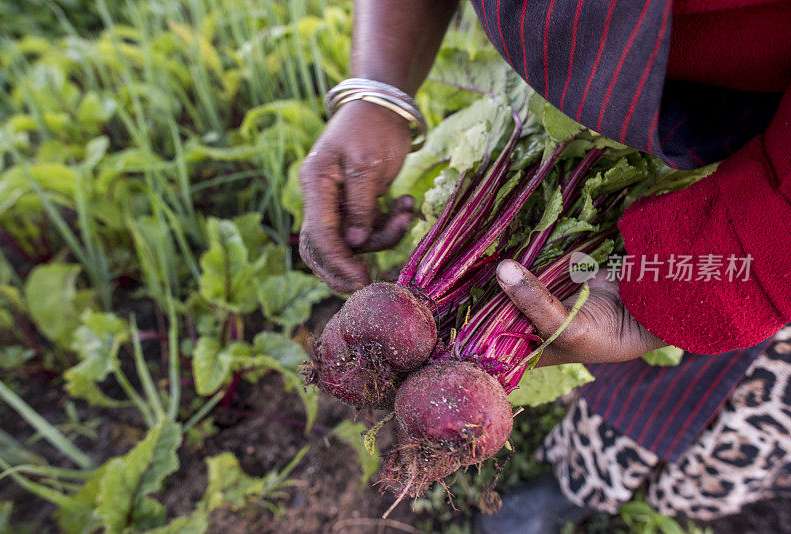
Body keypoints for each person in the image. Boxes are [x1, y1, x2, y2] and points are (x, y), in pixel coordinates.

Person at [299, 0, 791, 528]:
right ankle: (580, 475)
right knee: (600, 332)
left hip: (758, 187)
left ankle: (608, 490)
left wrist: (687, 294)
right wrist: (379, 91)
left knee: (714, 371)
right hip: (597, 104)